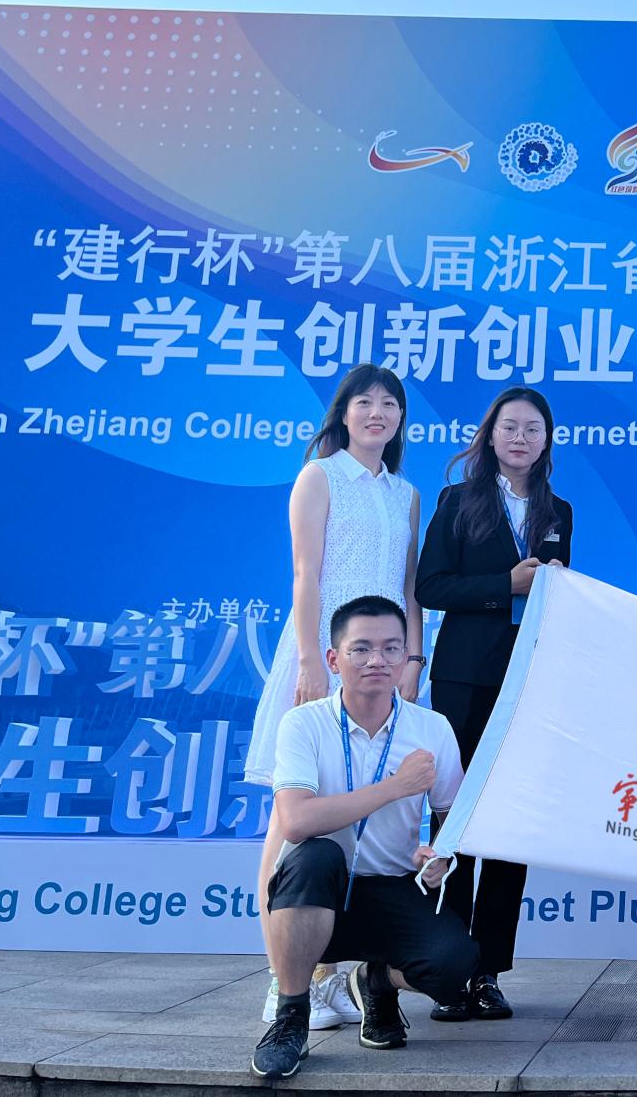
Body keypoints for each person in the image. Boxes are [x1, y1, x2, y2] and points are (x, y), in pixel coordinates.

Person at [244, 364, 424, 1029]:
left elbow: (410, 589)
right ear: (343, 413)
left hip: (385, 668)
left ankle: (327, 977)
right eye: (364, 401)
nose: (378, 413)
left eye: (390, 403)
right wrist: (309, 662)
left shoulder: (406, 494)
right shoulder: (319, 477)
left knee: (360, 821)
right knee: (292, 822)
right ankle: (282, 978)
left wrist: (412, 660)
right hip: (323, 660)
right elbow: (305, 573)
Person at [250, 596, 474, 1080]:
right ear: (334, 660)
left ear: (406, 657)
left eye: (392, 648)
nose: (378, 660)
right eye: (362, 649)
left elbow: (453, 817)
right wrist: (396, 787)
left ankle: (374, 982)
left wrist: (439, 855)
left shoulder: (431, 728)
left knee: (455, 967)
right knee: (313, 856)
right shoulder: (304, 723)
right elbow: (296, 820)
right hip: (319, 890)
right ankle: (291, 1017)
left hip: (392, 885)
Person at [416, 386, 572, 1020]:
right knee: (454, 817)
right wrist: (503, 585)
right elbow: (430, 586)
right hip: (463, 678)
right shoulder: (459, 501)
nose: (520, 438)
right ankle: (449, 967)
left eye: (533, 429)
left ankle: (487, 972)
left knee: (511, 820)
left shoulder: (559, 510)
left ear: (546, 440)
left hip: (528, 681)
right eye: (510, 427)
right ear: (490, 435)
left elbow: (557, 599)